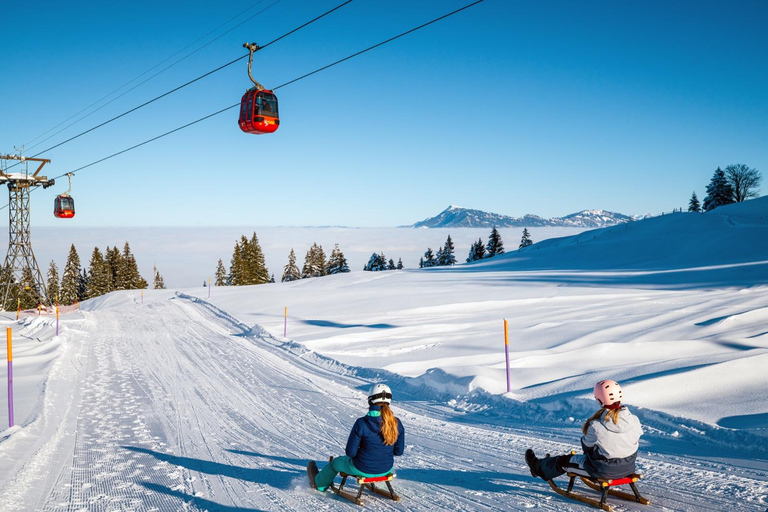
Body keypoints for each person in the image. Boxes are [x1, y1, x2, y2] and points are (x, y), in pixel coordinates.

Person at [525, 379, 642, 481]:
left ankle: (537, 468)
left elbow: (587, 448)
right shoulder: (634, 420)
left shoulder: (596, 425)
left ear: (600, 400)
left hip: (602, 470)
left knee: (564, 461)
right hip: (628, 468)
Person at [308, 383, 405, 492]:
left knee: (335, 463)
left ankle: (319, 484)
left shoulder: (362, 423)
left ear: (370, 400)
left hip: (362, 468)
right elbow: (399, 452)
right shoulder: (396, 423)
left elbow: (350, 453)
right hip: (386, 469)